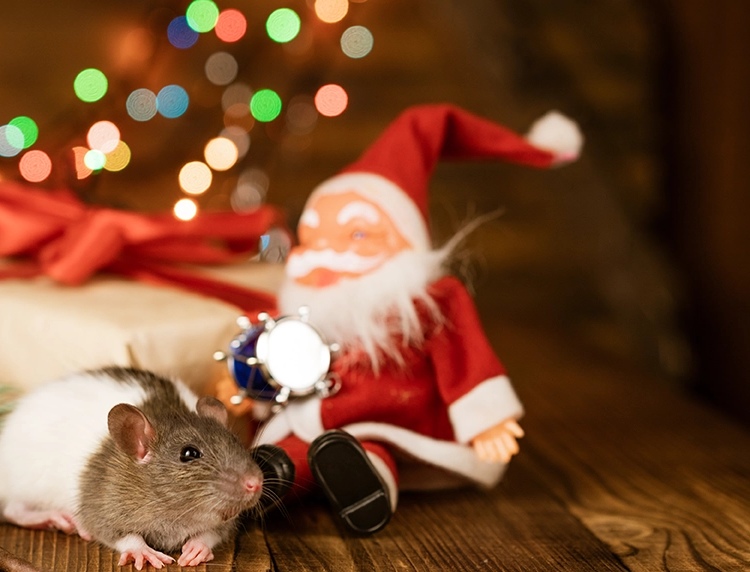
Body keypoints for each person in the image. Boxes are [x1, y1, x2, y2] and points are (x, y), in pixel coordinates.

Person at [246, 103, 581, 534]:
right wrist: (250, 385)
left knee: (365, 450)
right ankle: (268, 483)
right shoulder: (302, 303)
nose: (328, 250)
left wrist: (488, 417)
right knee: (288, 448)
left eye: (357, 234)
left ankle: (368, 488)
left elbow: (466, 357)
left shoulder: (430, 302)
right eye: (313, 236)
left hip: (393, 414)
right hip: (312, 410)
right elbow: (272, 348)